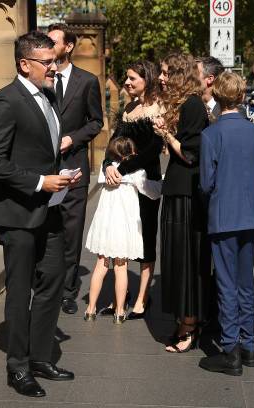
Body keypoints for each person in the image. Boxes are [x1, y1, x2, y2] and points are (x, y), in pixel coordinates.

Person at [0, 31, 80, 398]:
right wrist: (40, 182)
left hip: (49, 211)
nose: (54, 67)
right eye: (47, 62)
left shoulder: (49, 96)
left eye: (54, 60)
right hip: (18, 214)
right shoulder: (6, 101)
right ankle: (18, 367)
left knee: (54, 280)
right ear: (25, 64)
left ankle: (40, 357)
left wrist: (63, 177)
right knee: (20, 291)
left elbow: (45, 148)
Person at [198, 71, 254, 376]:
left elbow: (206, 183)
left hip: (224, 214)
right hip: (251, 214)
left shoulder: (211, 135)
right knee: (245, 280)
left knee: (226, 283)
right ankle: (249, 344)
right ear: (241, 97)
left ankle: (230, 349)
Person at [155, 52, 212, 353]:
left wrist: (167, 135)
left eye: (165, 73)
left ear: (179, 75)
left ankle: (190, 323)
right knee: (178, 258)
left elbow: (191, 154)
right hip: (177, 190)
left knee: (186, 259)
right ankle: (185, 319)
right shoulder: (182, 104)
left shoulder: (192, 105)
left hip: (187, 195)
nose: (161, 78)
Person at [46, 23, 103, 316]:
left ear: (68, 47)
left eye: (53, 41)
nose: (47, 44)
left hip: (73, 170)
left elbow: (96, 122)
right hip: (43, 169)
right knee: (44, 229)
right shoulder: (39, 77)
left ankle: (68, 291)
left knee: (70, 231)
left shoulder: (87, 81)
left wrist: (73, 138)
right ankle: (46, 285)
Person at [104, 60, 164, 320]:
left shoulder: (160, 108)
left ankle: (142, 297)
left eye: (131, 79)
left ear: (146, 80)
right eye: (126, 78)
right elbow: (113, 143)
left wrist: (123, 168)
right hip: (123, 185)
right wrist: (108, 164)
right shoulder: (127, 108)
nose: (127, 83)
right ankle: (121, 296)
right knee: (122, 236)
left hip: (145, 184)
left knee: (146, 236)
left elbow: (152, 150)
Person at [84, 136, 162, 324]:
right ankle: (119, 311)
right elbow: (153, 192)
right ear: (133, 153)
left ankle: (90, 309)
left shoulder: (106, 172)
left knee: (101, 265)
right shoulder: (136, 173)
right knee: (121, 267)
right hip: (124, 225)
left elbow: (105, 174)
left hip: (106, 223)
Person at [197, 55, 224, 123]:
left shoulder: (225, 111)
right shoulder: (189, 106)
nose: (190, 77)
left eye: (196, 73)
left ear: (210, 79)